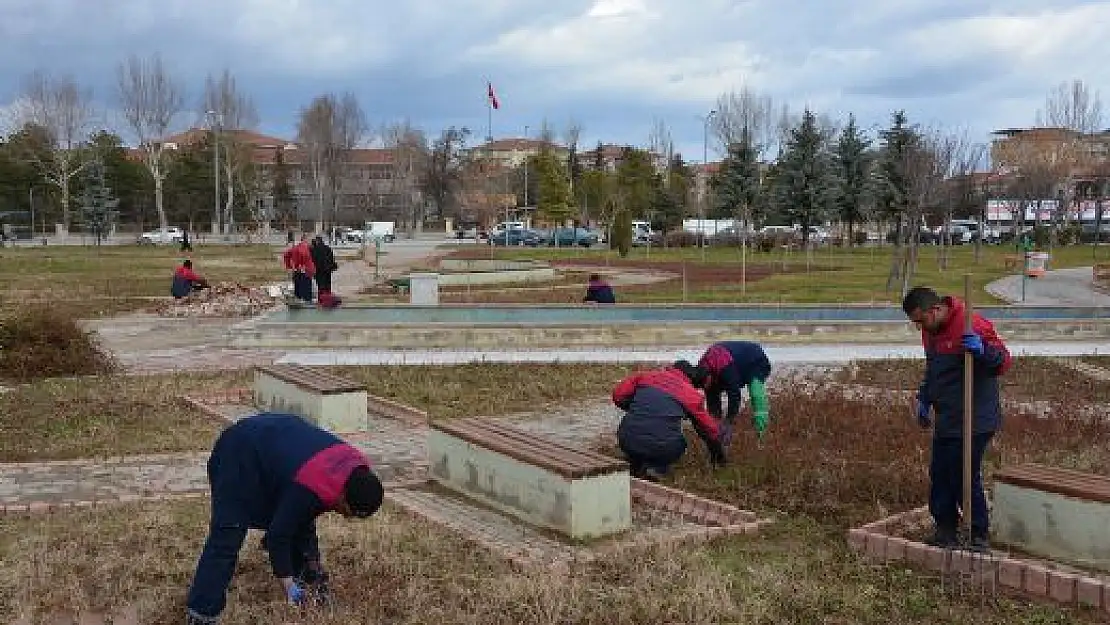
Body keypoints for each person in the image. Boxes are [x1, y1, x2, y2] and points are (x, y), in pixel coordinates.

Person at [185, 413, 385, 625]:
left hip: (276, 441)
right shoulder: (311, 484)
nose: (346, 517)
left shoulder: (353, 470)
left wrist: (312, 569)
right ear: (343, 497)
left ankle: (308, 580)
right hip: (239, 452)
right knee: (228, 534)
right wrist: (287, 584)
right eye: (348, 512)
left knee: (296, 515)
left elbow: (303, 517)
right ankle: (201, 613)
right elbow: (278, 535)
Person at [902, 286, 1012, 552]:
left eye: (921, 320)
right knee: (940, 473)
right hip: (948, 416)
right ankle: (946, 531)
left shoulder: (971, 323)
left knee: (963, 474)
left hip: (976, 417)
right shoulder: (931, 332)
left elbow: (1004, 362)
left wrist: (982, 350)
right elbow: (934, 370)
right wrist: (925, 398)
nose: (919, 328)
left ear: (936, 309)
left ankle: (978, 534)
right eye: (915, 323)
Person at [611, 360, 727, 481]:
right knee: (679, 443)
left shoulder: (645, 376)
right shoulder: (691, 394)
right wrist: (719, 455)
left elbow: (618, 395)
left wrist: (635, 408)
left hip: (626, 440)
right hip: (661, 449)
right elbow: (709, 429)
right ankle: (657, 468)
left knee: (638, 437)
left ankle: (634, 462)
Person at [697, 341, 772, 443]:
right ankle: (719, 440)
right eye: (703, 386)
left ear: (709, 376)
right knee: (712, 399)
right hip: (729, 364)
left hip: (754, 359)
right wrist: (715, 425)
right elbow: (712, 401)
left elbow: (734, 394)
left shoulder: (724, 366)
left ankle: (762, 435)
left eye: (707, 384)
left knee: (756, 394)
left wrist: (729, 421)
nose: (706, 387)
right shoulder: (701, 373)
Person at [282, 233, 316, 303]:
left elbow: (286, 255)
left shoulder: (296, 247)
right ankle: (306, 304)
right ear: (305, 239)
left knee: (298, 290)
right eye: (310, 240)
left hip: (297, 271)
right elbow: (303, 257)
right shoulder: (304, 248)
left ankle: (297, 302)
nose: (311, 242)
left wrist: (289, 266)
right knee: (306, 292)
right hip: (304, 272)